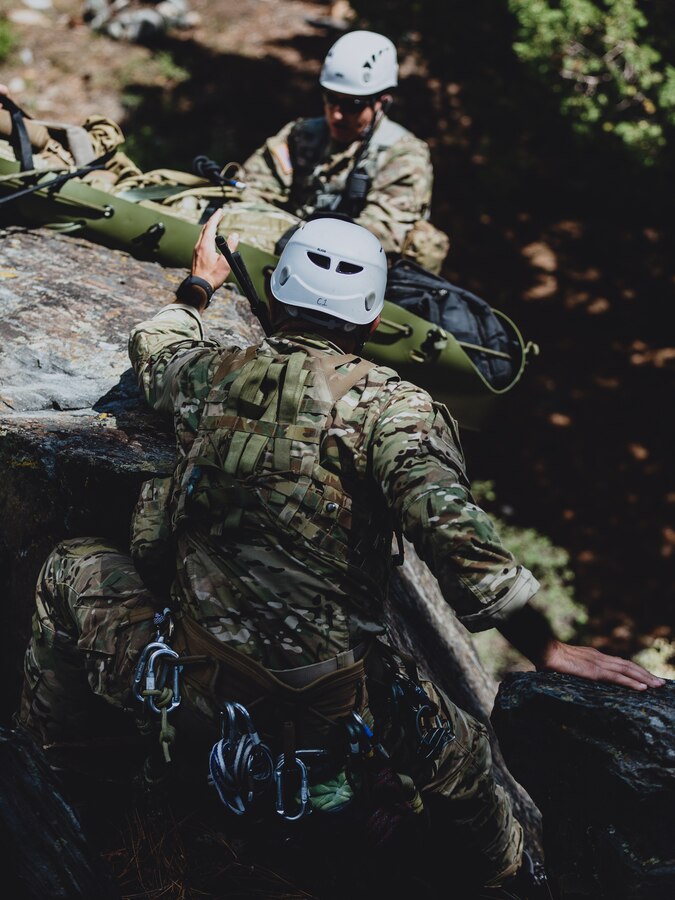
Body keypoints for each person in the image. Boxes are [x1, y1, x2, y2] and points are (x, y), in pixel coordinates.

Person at [17, 210, 663, 895]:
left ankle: (60, 784)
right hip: (334, 718)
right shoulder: (396, 410)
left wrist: (200, 286)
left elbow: (155, 342)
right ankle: (511, 879)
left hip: (182, 692)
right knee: (467, 766)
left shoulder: (215, 373)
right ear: (372, 320)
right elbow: (457, 540)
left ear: (276, 298)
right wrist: (547, 649)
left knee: (72, 564)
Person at [240, 29, 450, 273]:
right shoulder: (301, 135)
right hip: (286, 259)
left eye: (352, 105)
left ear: (381, 103)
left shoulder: (403, 156)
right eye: (331, 99)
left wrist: (294, 235)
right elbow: (252, 189)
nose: (337, 114)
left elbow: (380, 233)